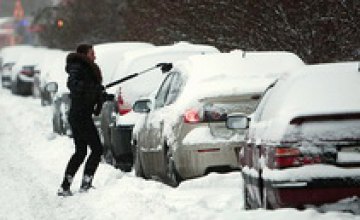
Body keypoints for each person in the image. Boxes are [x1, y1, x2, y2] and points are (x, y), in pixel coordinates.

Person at [58, 44, 105, 196]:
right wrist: (92, 89)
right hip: (80, 115)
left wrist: (101, 95)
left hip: (81, 114)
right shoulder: (78, 66)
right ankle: (85, 183)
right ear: (85, 54)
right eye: (92, 53)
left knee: (81, 151)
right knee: (97, 149)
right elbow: (74, 85)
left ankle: (66, 186)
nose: (95, 56)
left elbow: (90, 91)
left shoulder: (86, 68)